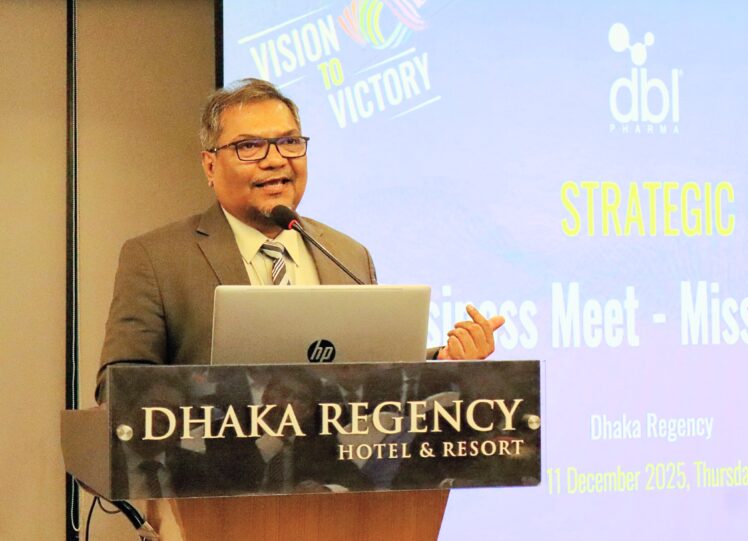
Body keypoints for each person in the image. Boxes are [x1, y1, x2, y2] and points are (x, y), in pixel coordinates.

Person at [96, 78, 503, 400]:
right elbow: (118, 387)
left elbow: (376, 372)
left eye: (289, 142)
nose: (276, 160)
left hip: (337, 476)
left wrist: (444, 360)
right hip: (215, 476)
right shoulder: (157, 259)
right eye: (250, 146)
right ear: (210, 165)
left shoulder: (347, 255)